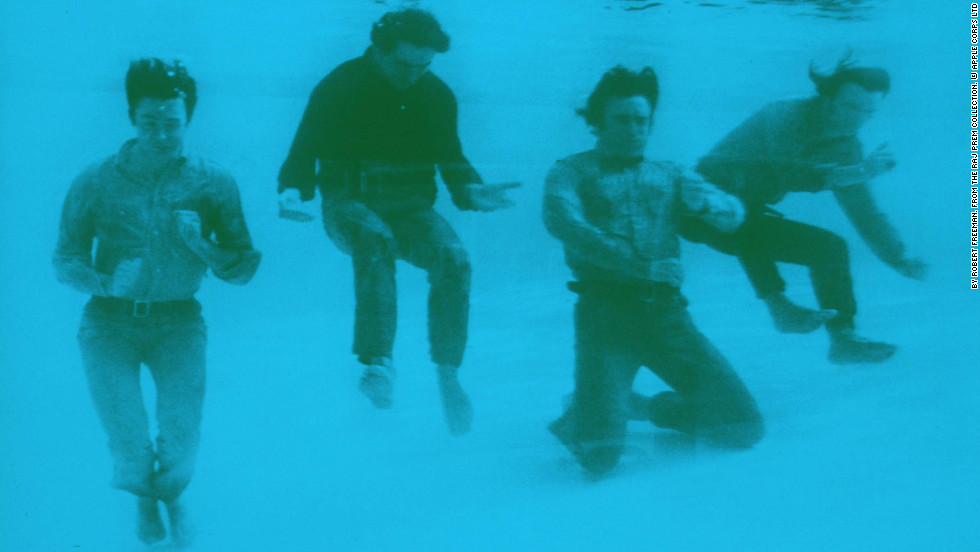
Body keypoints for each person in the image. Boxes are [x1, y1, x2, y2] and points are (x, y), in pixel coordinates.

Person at [277, 8, 518, 436]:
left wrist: (471, 191)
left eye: (424, 65)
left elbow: (452, 158)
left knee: (455, 258)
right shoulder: (339, 85)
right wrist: (291, 190)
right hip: (348, 201)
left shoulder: (437, 94)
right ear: (378, 50)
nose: (413, 74)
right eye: (404, 64)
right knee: (375, 240)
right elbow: (304, 147)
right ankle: (378, 363)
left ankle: (447, 371)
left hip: (410, 207)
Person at [53, 59, 261, 546]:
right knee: (126, 432)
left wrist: (203, 248)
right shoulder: (97, 179)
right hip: (107, 325)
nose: (163, 135)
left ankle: (172, 495)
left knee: (183, 435)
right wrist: (105, 282)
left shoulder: (213, 182)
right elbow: (64, 259)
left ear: (187, 119)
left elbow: (244, 265)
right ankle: (144, 498)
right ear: (132, 118)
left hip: (179, 323)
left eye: (173, 123)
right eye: (151, 123)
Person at [543, 66, 764, 476]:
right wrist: (642, 265)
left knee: (743, 427)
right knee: (600, 458)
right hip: (604, 322)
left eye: (641, 120)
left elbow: (732, 217)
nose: (634, 129)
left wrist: (714, 206)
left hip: (668, 321)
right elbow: (564, 224)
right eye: (622, 120)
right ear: (598, 123)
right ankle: (585, 412)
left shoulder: (671, 174)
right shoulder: (569, 171)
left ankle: (642, 406)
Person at [690, 56, 927, 364]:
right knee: (744, 207)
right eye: (850, 107)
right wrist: (857, 171)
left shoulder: (847, 148)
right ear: (827, 98)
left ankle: (843, 338)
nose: (856, 120)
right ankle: (779, 306)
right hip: (697, 206)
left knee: (831, 247)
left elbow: (863, 212)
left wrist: (899, 257)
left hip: (745, 218)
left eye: (868, 112)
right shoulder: (786, 114)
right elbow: (783, 172)